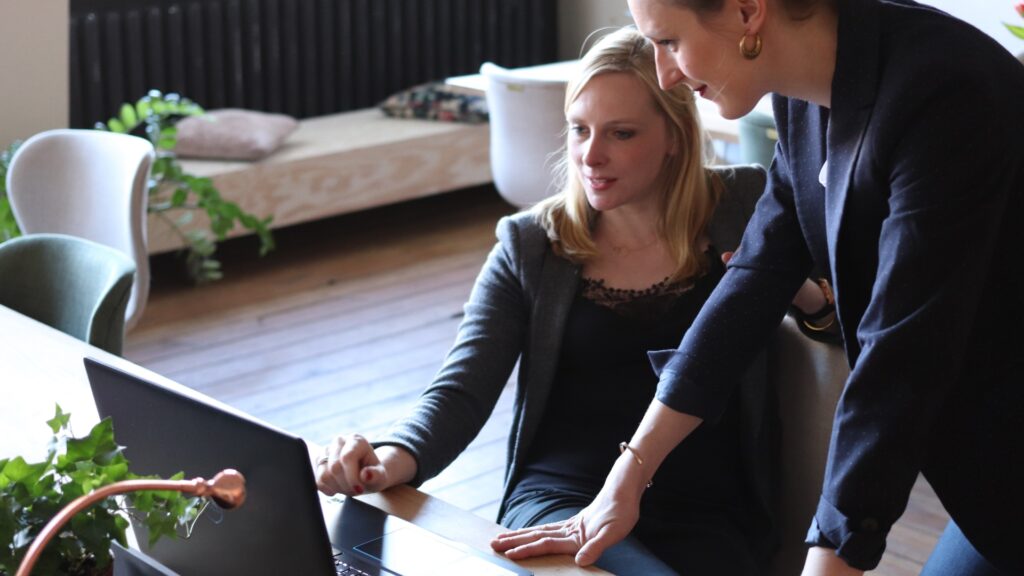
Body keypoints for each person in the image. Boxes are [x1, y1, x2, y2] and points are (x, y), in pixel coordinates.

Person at [491, 1, 1024, 575]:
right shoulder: (806, 97)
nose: (664, 74)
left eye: (669, 42)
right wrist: (629, 473)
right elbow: (755, 276)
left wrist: (832, 551)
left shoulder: (942, 90)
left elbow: (901, 359)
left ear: (748, 11)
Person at [316, 27, 834, 575]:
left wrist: (796, 292)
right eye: (579, 130)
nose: (592, 155)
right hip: (561, 502)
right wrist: (387, 460)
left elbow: (845, 329)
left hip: (710, 513)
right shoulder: (530, 245)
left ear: (675, 135)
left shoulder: (745, 204)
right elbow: (461, 390)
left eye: (621, 133)